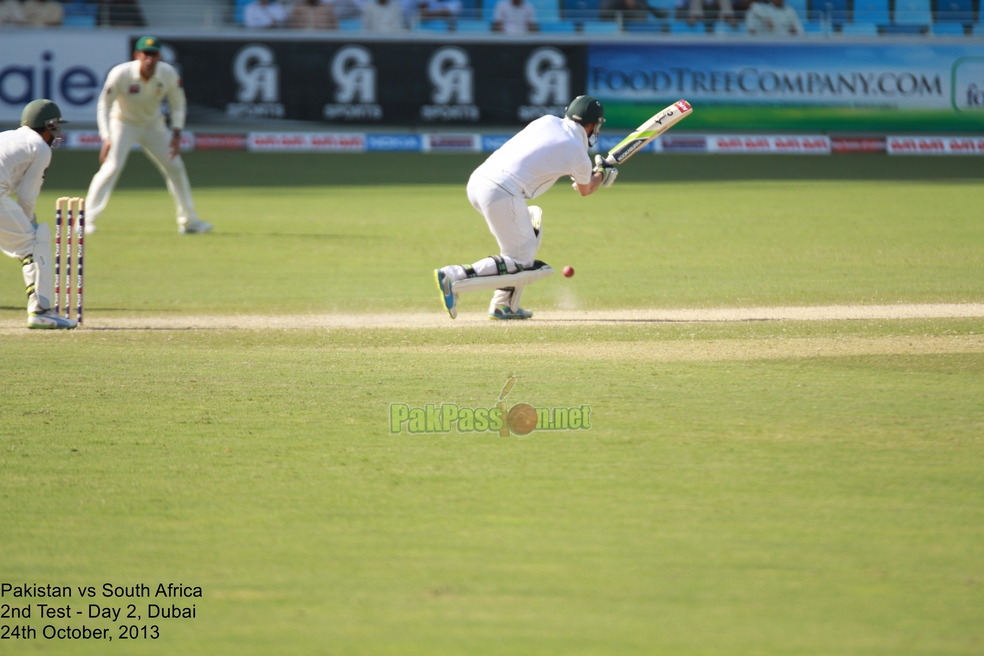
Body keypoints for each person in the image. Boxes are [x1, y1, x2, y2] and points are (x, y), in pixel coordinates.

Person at [434, 96, 615, 320]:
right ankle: (453, 275)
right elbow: (586, 189)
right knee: (521, 262)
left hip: (479, 181)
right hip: (502, 192)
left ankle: (504, 305)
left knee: (529, 238)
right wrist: (603, 173)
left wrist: (590, 173)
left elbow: (546, 158)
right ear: (590, 125)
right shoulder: (577, 151)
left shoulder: (547, 121)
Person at [85, 36, 212, 235]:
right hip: (123, 123)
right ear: (137, 55)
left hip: (154, 124)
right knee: (112, 167)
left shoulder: (167, 73)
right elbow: (104, 104)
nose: (149, 59)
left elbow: (178, 103)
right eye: (146, 54)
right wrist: (107, 136)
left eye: (153, 54)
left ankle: (189, 222)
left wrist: (177, 133)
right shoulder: (121, 73)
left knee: (175, 166)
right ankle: (86, 220)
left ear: (159, 56)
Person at [0, 99, 77, 329]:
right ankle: (41, 311)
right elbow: (26, 195)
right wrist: (29, 224)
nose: (57, 132)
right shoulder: (40, 147)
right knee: (34, 243)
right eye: (55, 126)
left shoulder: (8, 136)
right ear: (46, 126)